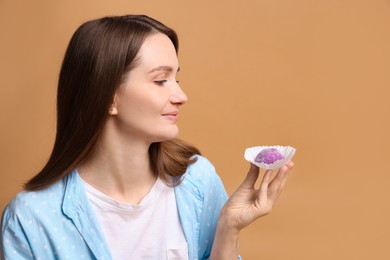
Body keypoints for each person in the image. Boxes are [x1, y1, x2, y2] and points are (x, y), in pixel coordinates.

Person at [0, 15, 294, 260]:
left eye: (176, 78)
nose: (181, 96)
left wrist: (228, 229)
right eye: (160, 80)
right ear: (108, 96)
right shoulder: (31, 218)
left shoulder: (198, 182)